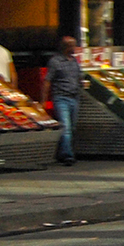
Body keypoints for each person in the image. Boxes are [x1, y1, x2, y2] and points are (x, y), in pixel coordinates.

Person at [40, 36, 81, 166]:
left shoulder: (74, 61)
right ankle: (68, 155)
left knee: (72, 127)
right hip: (61, 97)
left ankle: (62, 152)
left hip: (74, 97)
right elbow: (47, 81)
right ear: (66, 47)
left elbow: (79, 77)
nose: (75, 48)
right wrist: (43, 100)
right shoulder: (55, 62)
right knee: (66, 127)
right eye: (72, 46)